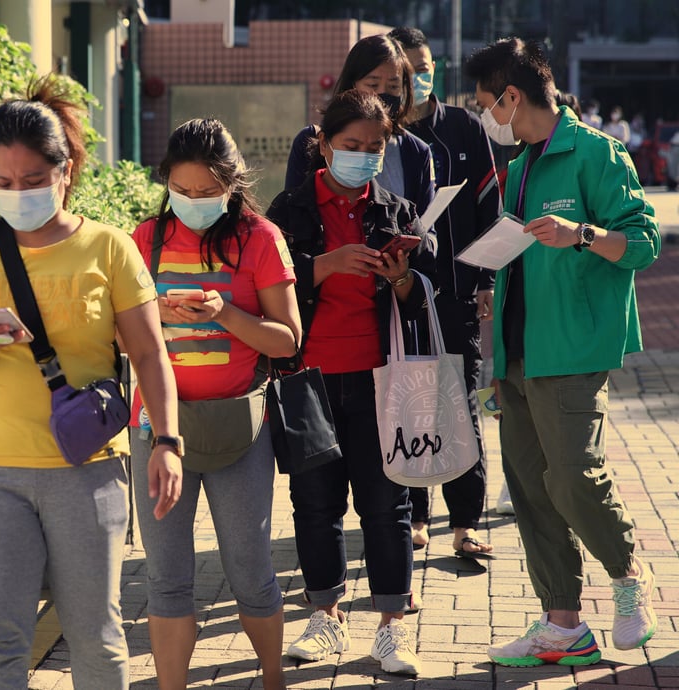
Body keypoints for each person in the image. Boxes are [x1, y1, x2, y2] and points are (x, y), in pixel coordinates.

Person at [0, 75, 183, 690]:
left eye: (32, 181)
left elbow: (152, 354)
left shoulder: (108, 248)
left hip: (89, 472)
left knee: (97, 640)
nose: (17, 194)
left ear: (67, 170)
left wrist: (167, 441)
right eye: (2, 183)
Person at [465, 37, 659, 667]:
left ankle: (628, 577)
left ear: (512, 97)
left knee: (574, 473)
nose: (483, 116)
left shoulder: (596, 154)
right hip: (516, 350)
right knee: (530, 486)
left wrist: (581, 234)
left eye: (484, 103)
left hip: (572, 346)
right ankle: (563, 624)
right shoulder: (518, 168)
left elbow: (642, 242)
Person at [267, 88, 438, 675]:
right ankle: (326, 616)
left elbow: (424, 300)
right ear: (322, 144)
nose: (361, 155)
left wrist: (401, 280)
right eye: (349, 145)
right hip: (306, 381)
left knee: (385, 505)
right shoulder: (287, 211)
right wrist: (323, 266)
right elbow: (266, 292)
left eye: (373, 147)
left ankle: (393, 626)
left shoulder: (395, 209)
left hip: (378, 379)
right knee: (314, 505)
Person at [129, 119, 301, 690]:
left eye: (207, 193)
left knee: (250, 568)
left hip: (239, 427)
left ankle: (271, 677)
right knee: (167, 578)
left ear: (231, 184)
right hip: (157, 429)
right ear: (166, 184)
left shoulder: (259, 238)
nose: (194, 203)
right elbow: (117, 335)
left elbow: (287, 339)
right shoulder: (143, 239)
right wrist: (158, 315)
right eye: (183, 191)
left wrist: (223, 313)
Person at [388, 26, 503, 558]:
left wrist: (485, 280)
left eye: (426, 63)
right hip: (401, 296)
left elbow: (487, 208)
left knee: (462, 405)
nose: (420, 74)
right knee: (407, 404)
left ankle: (465, 523)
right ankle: (412, 514)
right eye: (408, 67)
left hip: (456, 296)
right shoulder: (381, 137)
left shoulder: (462, 127)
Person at [284, 34, 436, 220]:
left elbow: (427, 229)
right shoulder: (311, 140)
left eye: (393, 87)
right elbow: (290, 220)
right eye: (372, 84)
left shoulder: (416, 152)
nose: (382, 95)